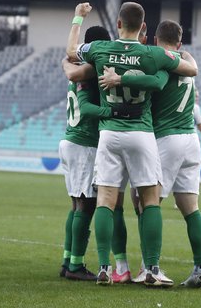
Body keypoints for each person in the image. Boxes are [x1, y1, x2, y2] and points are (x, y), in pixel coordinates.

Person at [66, 1, 198, 286]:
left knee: (105, 200)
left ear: (117, 24)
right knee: (150, 200)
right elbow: (190, 70)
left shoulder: (101, 49)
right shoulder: (152, 53)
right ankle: (150, 268)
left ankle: (105, 268)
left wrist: (78, 19)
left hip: (109, 133)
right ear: (143, 27)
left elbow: (71, 52)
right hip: (141, 132)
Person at [99, 19, 201, 288]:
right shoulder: (186, 60)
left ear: (155, 41)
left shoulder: (160, 60)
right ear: (180, 43)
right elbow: (191, 66)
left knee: (146, 202)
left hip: (166, 138)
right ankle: (200, 267)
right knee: (190, 207)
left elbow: (153, 84)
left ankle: (149, 267)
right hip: (190, 140)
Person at [58, 25, 144, 281]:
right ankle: (75, 266)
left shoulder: (78, 69)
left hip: (71, 140)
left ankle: (67, 260)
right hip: (84, 143)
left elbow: (70, 70)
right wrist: (114, 112)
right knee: (87, 205)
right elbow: (86, 107)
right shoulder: (91, 72)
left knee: (76, 205)